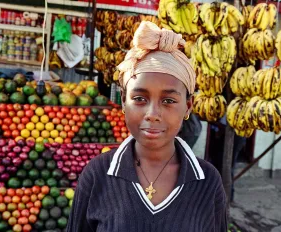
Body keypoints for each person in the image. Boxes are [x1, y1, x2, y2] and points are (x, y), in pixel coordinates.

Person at [67, 21, 227, 232]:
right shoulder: (98, 174)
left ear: (188, 106)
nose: (152, 114)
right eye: (140, 98)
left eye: (168, 101)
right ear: (124, 101)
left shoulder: (208, 182)